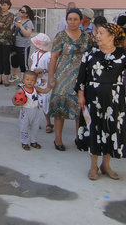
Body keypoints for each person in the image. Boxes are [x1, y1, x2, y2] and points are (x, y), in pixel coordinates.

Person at [76, 24, 126, 180]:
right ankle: (93, 166)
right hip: (93, 98)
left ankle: (106, 165)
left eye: (101, 33)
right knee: (94, 130)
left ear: (112, 37)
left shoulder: (122, 55)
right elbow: (81, 77)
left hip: (115, 99)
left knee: (111, 130)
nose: (97, 36)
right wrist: (81, 95)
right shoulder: (90, 54)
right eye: (97, 33)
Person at [48, 8, 90, 151]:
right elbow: (54, 57)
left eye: (75, 19)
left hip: (81, 77)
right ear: (66, 20)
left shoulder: (87, 37)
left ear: (81, 20)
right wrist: (51, 77)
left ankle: (79, 138)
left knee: (79, 108)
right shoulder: (60, 36)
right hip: (62, 76)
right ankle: (58, 139)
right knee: (60, 108)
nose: (72, 22)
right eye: (69, 19)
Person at [13, 71, 50, 151]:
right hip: (25, 111)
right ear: (23, 80)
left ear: (35, 81)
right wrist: (16, 103)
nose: (29, 82)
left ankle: (33, 141)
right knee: (24, 127)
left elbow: (45, 91)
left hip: (35, 110)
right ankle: (24, 142)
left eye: (32, 80)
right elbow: (15, 99)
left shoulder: (35, 89)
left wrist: (50, 86)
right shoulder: (21, 90)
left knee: (35, 127)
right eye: (27, 79)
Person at [30, 33, 53, 133]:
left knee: (45, 102)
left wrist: (43, 70)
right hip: (35, 81)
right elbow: (31, 65)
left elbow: (53, 69)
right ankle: (36, 121)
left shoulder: (49, 56)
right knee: (34, 102)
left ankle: (48, 123)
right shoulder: (35, 53)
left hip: (45, 82)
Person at [11, 5, 35, 83]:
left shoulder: (29, 23)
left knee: (23, 63)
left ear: (26, 14)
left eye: (22, 11)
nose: (20, 12)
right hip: (15, 44)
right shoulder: (17, 19)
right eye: (20, 10)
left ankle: (24, 80)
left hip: (24, 46)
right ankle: (14, 76)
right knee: (14, 61)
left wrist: (21, 27)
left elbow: (28, 34)